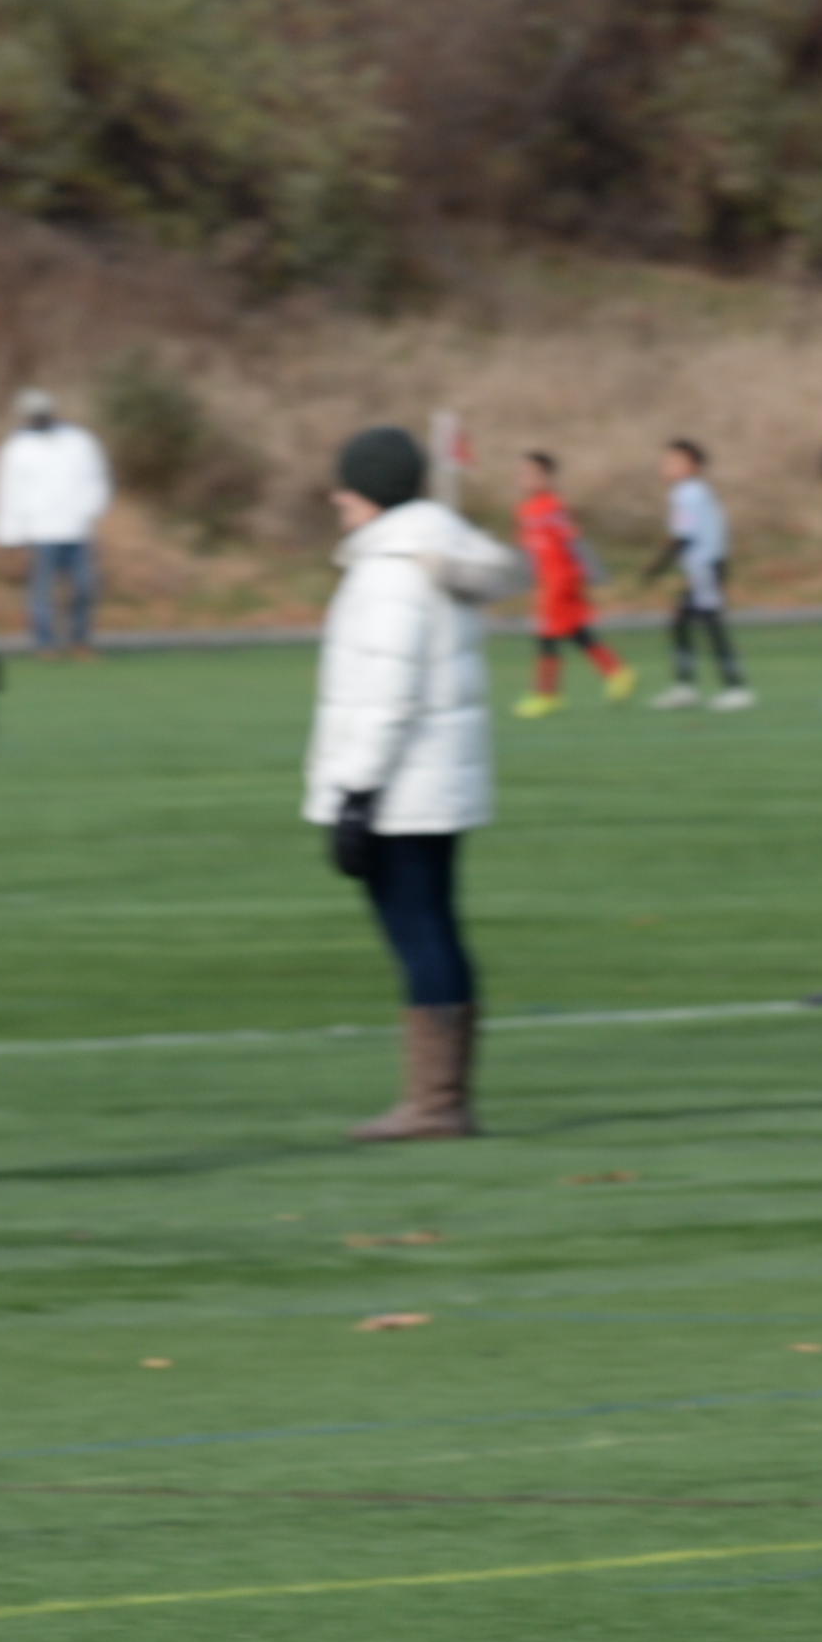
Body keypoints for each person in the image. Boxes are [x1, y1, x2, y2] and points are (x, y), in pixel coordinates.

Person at [302, 425, 523, 1140]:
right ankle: (441, 1097)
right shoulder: (425, 556)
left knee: (420, 932)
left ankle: (436, 1102)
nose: (336, 498)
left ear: (369, 491)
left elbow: (388, 693)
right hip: (434, 782)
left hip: (401, 788)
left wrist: (355, 793)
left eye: (346, 485)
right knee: (434, 927)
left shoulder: (390, 571)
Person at [506, 450, 629, 717]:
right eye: (522, 474)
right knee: (576, 632)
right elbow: (526, 553)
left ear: (547, 478)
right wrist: (520, 580)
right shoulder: (523, 511)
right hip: (548, 582)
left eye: (532, 474)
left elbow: (574, 542)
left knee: (546, 635)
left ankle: (546, 695)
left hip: (561, 580)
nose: (524, 479)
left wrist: (596, 574)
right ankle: (616, 671)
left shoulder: (553, 507)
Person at [0, 387, 111, 657]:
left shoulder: (79, 441)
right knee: (42, 590)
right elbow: (8, 492)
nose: (38, 418)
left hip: (78, 529)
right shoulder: (15, 449)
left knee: (84, 587)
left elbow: (97, 478)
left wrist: (91, 510)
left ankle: (80, 640)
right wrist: (8, 534)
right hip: (41, 530)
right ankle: (45, 642)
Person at [647, 439, 747, 710]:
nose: (667, 467)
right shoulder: (697, 492)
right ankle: (686, 686)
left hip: (705, 568)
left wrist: (657, 567)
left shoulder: (687, 493)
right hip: (705, 566)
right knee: (682, 622)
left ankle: (735, 687)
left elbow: (684, 536)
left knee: (711, 624)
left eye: (675, 462)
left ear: (693, 466)